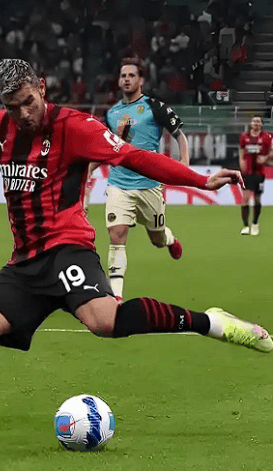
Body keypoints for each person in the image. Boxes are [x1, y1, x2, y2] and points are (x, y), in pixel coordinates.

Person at [0, 59, 273, 446]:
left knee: (105, 322)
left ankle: (212, 323)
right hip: (26, 260)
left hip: (68, 248)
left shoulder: (76, 127)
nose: (23, 114)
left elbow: (133, 157)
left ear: (41, 87)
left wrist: (198, 180)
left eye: (28, 102)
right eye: (12, 107)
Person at [88, 57, 190, 302]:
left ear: (141, 80)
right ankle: (116, 296)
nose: (126, 80)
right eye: (123, 76)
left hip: (149, 184)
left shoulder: (155, 107)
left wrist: (184, 164)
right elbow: (106, 148)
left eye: (131, 75)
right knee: (116, 235)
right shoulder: (112, 113)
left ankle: (168, 239)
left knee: (156, 238)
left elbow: (179, 135)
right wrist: (89, 169)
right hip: (118, 184)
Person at [238, 115, 273, 235]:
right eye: (254, 121)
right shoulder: (244, 136)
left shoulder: (267, 136)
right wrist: (241, 163)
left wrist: (266, 157)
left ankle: (255, 223)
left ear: (261, 124)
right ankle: (245, 226)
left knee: (257, 199)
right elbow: (241, 152)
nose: (256, 123)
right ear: (251, 123)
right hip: (247, 173)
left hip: (259, 173)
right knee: (245, 199)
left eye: (258, 121)